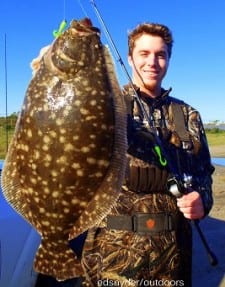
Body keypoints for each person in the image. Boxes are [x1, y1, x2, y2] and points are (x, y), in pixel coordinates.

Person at [80, 22, 215, 287]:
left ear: (168, 60)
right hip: (110, 257)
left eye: (160, 54)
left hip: (173, 259)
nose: (152, 62)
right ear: (130, 58)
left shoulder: (189, 116)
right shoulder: (105, 105)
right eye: (144, 53)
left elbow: (204, 176)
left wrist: (203, 200)